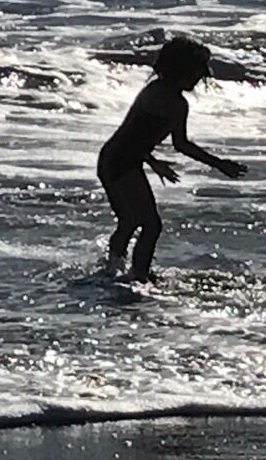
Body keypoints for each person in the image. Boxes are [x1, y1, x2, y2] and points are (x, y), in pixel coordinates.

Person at [99, 36, 244, 279]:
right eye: (197, 72)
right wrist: (219, 164)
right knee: (151, 225)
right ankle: (138, 275)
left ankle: (113, 268)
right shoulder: (168, 101)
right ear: (182, 70)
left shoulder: (158, 93)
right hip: (122, 161)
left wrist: (152, 161)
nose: (200, 78)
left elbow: (168, 142)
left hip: (113, 157)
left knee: (129, 220)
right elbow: (169, 143)